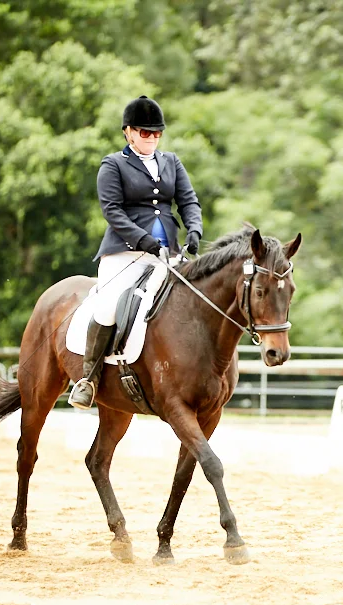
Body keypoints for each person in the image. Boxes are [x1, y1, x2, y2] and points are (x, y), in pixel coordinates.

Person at [68, 95, 204, 409]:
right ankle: (88, 378)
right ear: (128, 132)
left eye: (157, 134)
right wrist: (143, 240)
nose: (152, 139)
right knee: (108, 308)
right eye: (145, 133)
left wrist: (194, 230)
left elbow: (188, 202)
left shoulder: (172, 162)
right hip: (124, 254)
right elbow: (112, 211)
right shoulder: (113, 164)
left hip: (166, 255)